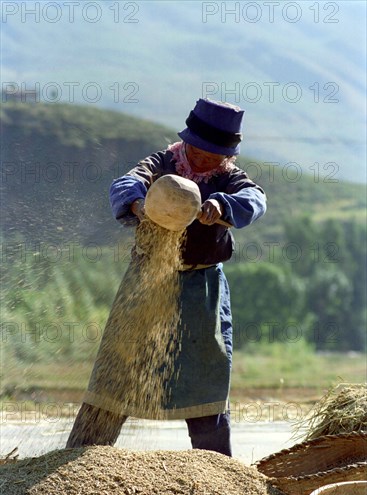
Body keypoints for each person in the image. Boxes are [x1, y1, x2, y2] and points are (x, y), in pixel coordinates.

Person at [66, 98, 267, 456]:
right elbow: (126, 183)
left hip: (201, 289)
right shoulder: (161, 164)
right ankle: (80, 456)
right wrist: (139, 205)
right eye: (200, 150)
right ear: (187, 142)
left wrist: (221, 205)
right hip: (146, 282)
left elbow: (255, 199)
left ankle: (216, 470)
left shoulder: (230, 179)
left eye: (215, 154)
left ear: (228, 155)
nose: (205, 159)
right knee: (118, 369)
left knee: (207, 377)